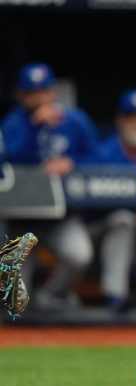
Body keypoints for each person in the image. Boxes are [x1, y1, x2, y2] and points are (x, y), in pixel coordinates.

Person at [1, 63, 97, 310]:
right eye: (31, 92)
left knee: (79, 254)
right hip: (21, 219)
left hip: (60, 216)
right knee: (17, 303)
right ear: (22, 96)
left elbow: (98, 157)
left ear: (52, 92)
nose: (38, 97)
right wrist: (34, 127)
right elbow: (9, 161)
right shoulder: (13, 123)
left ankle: (53, 294)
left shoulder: (75, 121)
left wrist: (72, 162)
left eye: (43, 91)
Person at [85, 88, 136, 312]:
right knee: (124, 219)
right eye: (132, 117)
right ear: (120, 120)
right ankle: (116, 297)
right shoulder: (104, 153)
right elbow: (89, 205)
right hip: (101, 236)